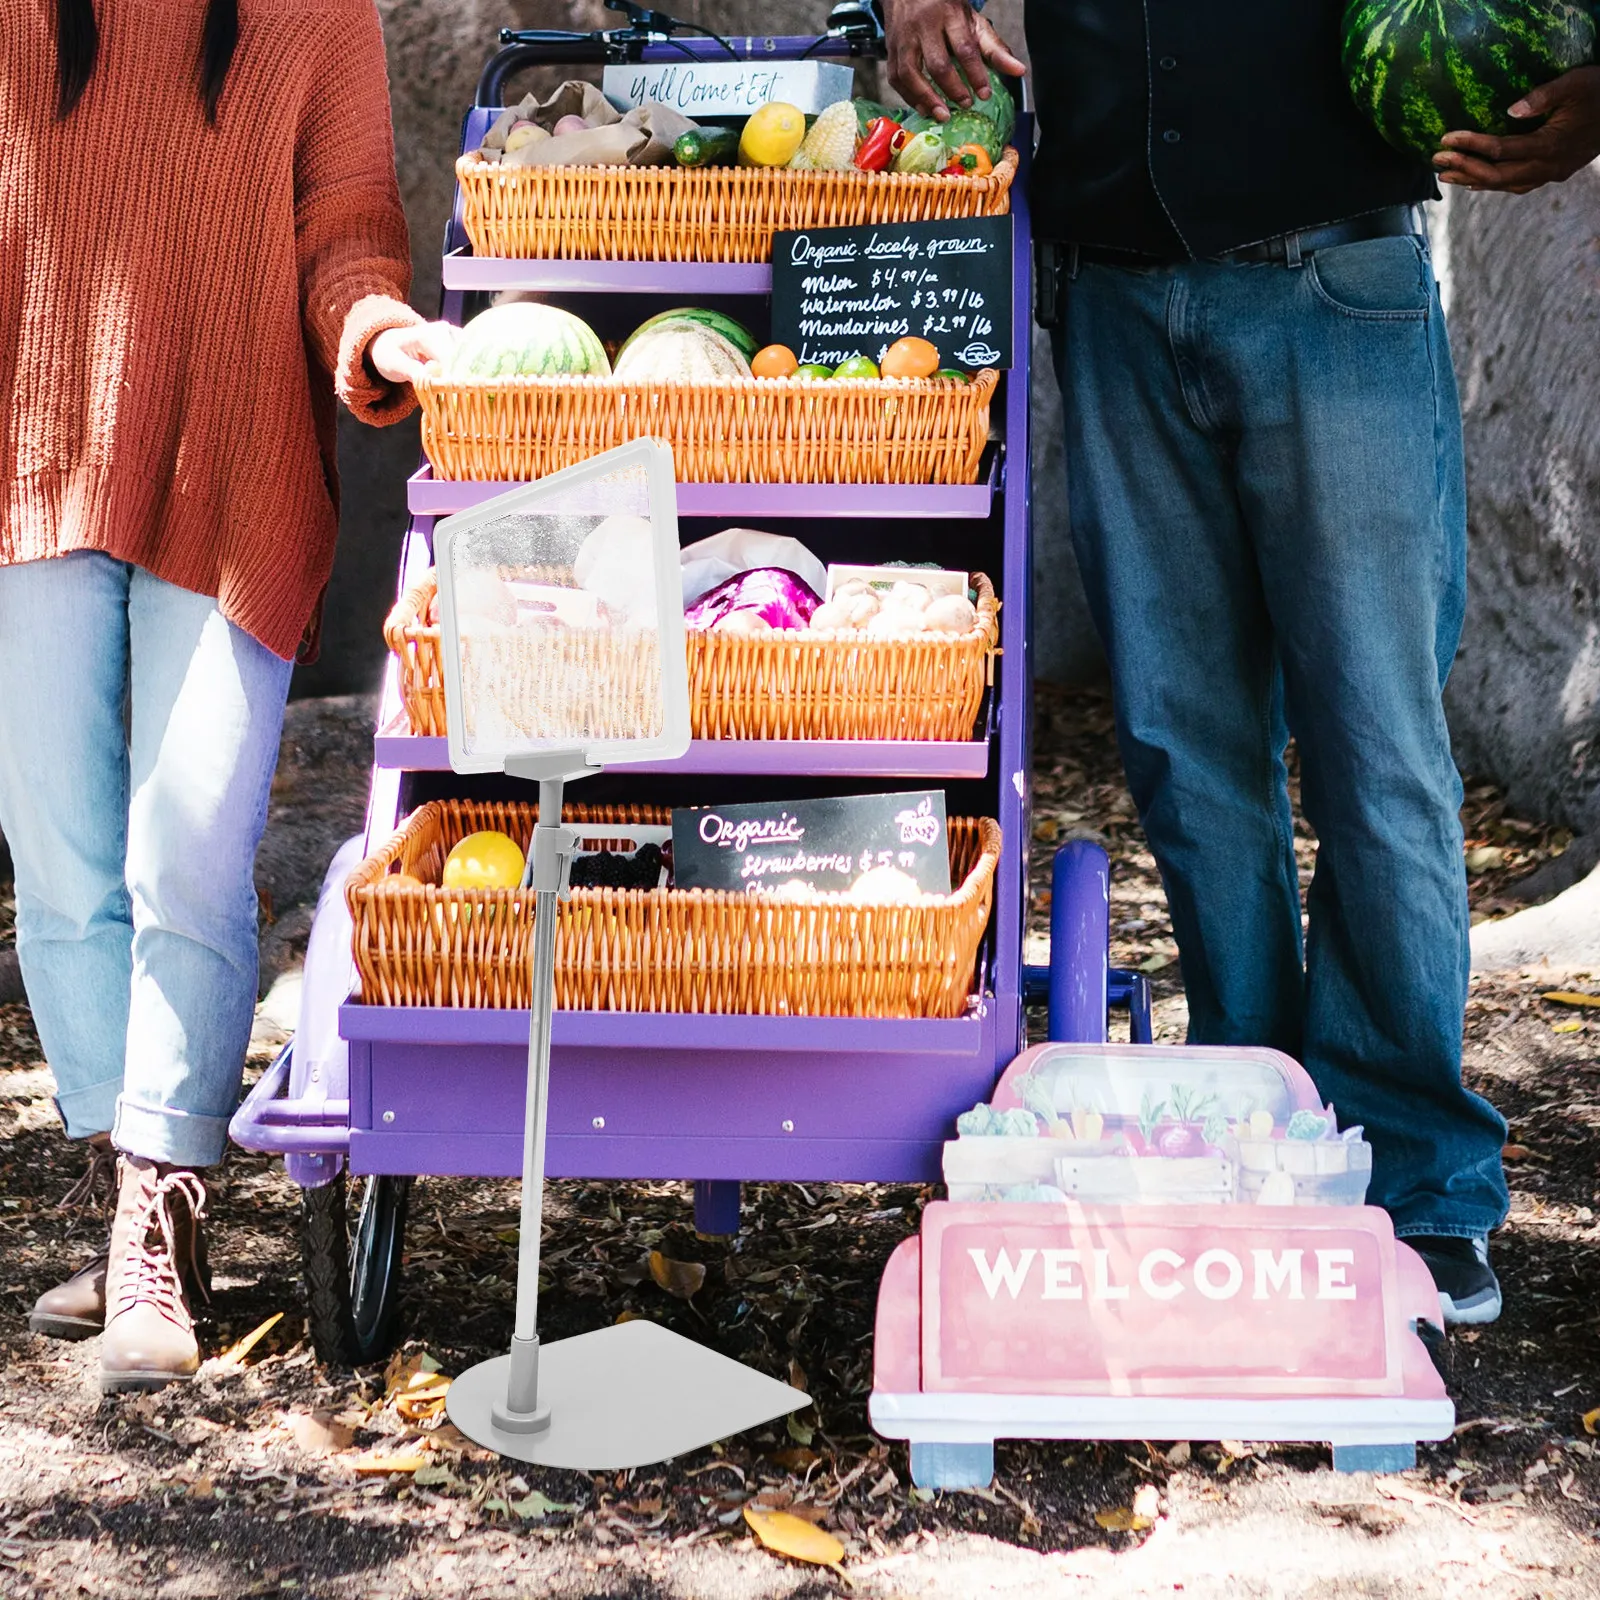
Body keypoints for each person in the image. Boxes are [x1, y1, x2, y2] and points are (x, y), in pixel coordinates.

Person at [887, 0, 1600, 1325]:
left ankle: (1416, 1190)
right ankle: (1259, 1145)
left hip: (1338, 287)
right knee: (1185, 754)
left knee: (1375, 752)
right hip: (1112, 299)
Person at [0, 0, 452, 1391]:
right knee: (63, 856)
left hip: (237, 468)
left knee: (183, 847)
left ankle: (158, 1207)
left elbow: (351, 227)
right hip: (38, 449)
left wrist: (377, 327)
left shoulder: (315, 14)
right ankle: (129, 1172)